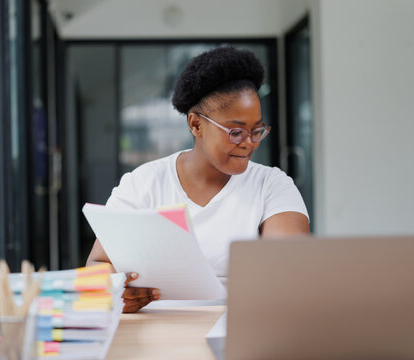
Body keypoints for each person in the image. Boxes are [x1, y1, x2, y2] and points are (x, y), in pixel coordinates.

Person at [86, 47, 310, 313]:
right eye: (236, 132)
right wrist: (117, 289)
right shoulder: (143, 183)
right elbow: (98, 266)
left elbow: (289, 269)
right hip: (154, 330)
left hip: (237, 327)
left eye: (257, 130)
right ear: (195, 125)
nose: (249, 143)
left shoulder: (271, 185)